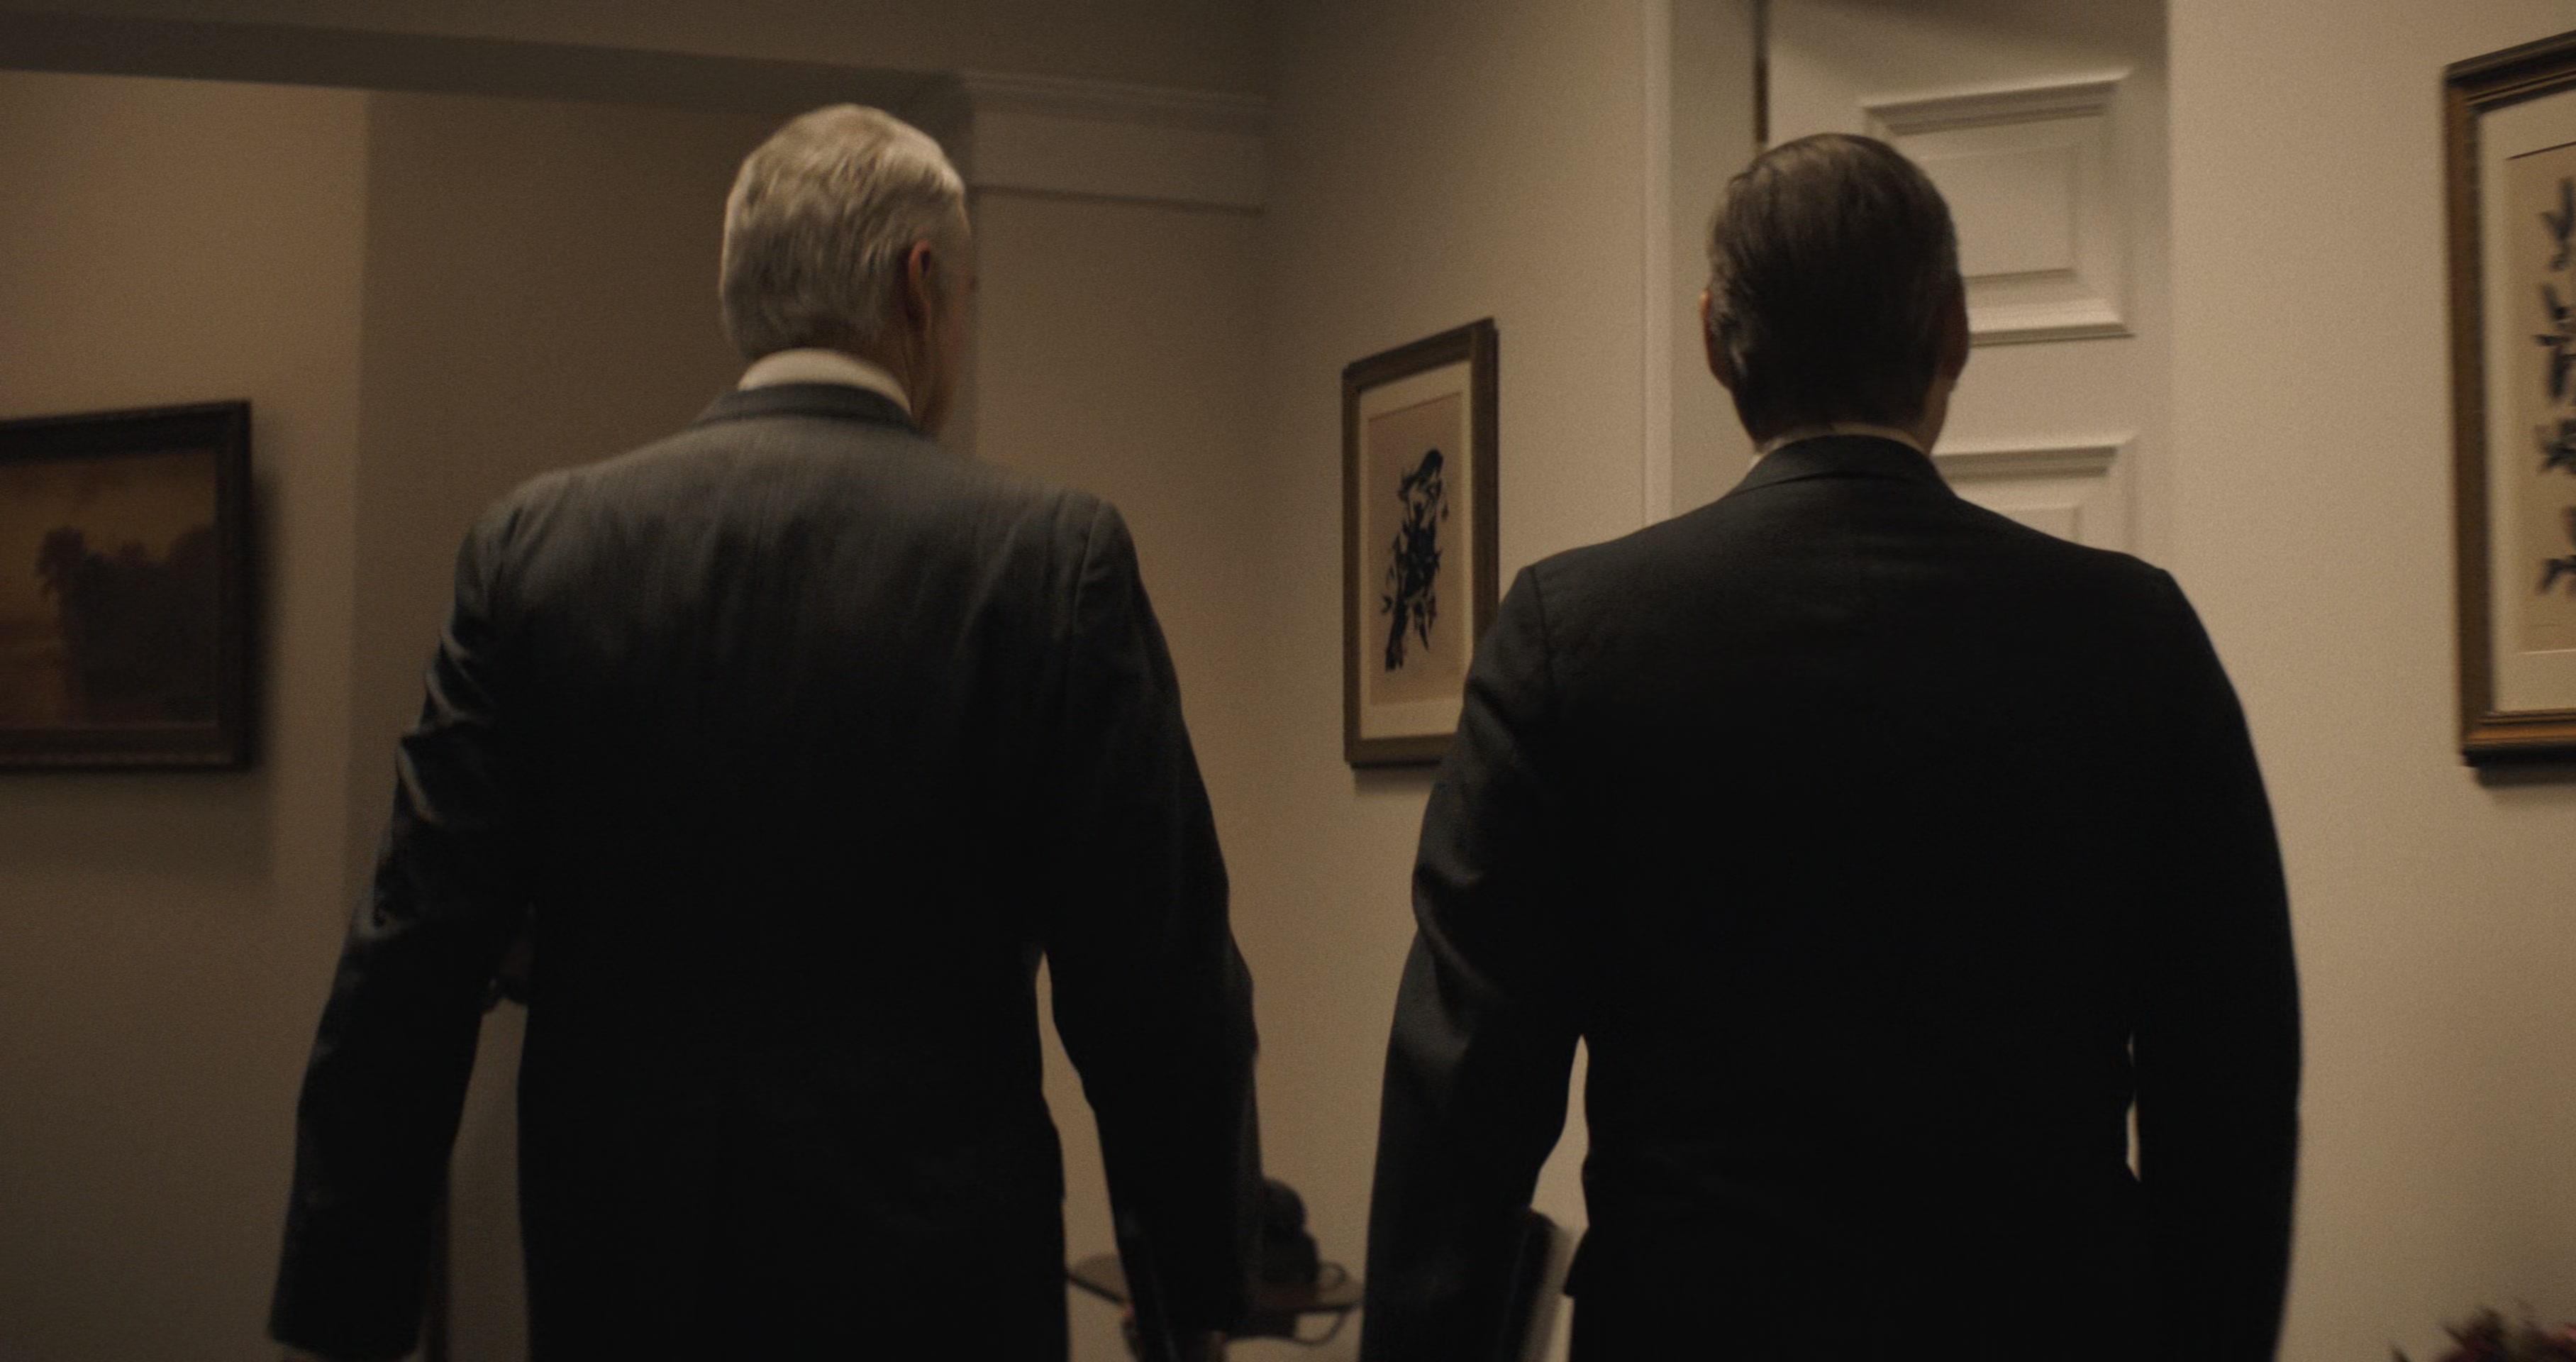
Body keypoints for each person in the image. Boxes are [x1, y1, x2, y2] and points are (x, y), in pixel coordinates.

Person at [269, 105, 1259, 1361]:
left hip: (622, 1290)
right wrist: (1191, 1304)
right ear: (919, 285)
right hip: (936, 1304)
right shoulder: (1046, 561)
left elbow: (412, 957)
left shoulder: (536, 554)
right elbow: (1154, 983)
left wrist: (344, 1313)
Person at [1360, 133, 2299, 1361]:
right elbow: (2229, 1091)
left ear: (1715, 339)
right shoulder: (2134, 637)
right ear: (1955, 331)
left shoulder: (1571, 636)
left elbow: (1463, 1098)